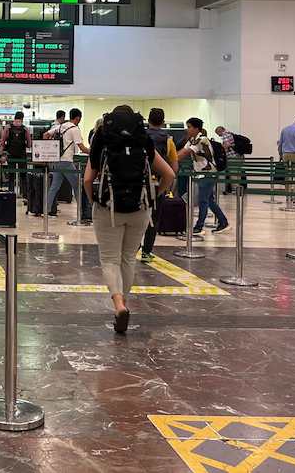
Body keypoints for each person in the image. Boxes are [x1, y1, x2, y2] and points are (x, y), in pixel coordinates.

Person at [84, 105, 175, 334]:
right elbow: (170, 174)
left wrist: (93, 199)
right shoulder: (142, 140)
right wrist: (155, 197)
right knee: (128, 258)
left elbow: (87, 180)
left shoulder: (102, 139)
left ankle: (118, 305)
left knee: (109, 259)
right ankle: (124, 302)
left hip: (109, 208)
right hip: (140, 207)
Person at [140, 108, 179, 262]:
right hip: (156, 183)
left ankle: (132, 248)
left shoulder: (140, 136)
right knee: (153, 219)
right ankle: (147, 252)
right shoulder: (168, 140)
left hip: (138, 183)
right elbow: (173, 168)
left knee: (136, 217)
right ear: (163, 122)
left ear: (148, 121)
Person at [178, 117, 229, 234]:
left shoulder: (201, 140)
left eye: (189, 127)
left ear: (196, 128)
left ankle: (199, 227)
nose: (187, 129)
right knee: (209, 200)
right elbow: (182, 151)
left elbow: (185, 153)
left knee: (203, 200)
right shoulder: (192, 140)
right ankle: (223, 222)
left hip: (208, 173)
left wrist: (170, 160)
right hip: (202, 173)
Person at [44, 108, 92, 223]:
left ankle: (46, 210)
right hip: (66, 162)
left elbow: (46, 134)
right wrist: (94, 152)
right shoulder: (74, 129)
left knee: (54, 187)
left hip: (56, 161)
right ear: (78, 118)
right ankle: (82, 212)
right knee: (77, 186)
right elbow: (82, 148)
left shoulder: (61, 126)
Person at [1, 111, 32, 196]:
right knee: (23, 175)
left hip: (11, 154)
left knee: (11, 175)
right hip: (22, 154)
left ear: (15, 118)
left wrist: (2, 153)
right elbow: (29, 144)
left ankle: (11, 193)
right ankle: (25, 194)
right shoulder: (25, 129)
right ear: (22, 118)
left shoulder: (8, 127)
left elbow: (3, 141)